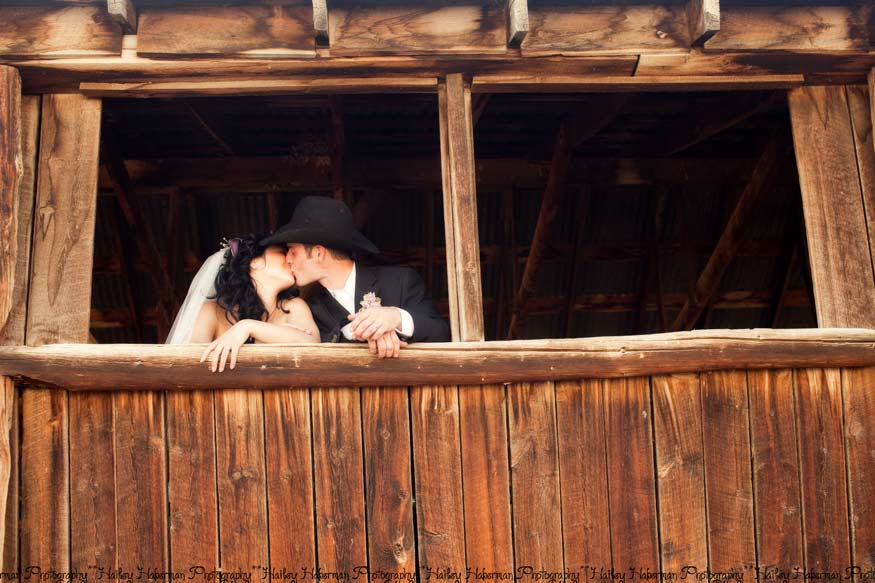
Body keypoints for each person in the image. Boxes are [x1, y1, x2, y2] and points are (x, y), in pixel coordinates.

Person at [260, 195, 450, 358]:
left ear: (318, 252)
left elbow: (442, 333)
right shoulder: (309, 307)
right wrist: (366, 331)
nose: (287, 259)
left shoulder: (401, 281)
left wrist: (395, 318)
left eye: (293, 251)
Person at [166, 233, 320, 372]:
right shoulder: (211, 311)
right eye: (282, 253)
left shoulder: (294, 306)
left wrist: (247, 327)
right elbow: (186, 362)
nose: (289, 259)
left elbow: (313, 344)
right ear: (255, 261)